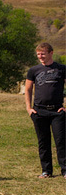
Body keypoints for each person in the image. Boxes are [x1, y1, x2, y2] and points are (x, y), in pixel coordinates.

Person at [24, 42, 65, 178]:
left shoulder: (61, 69)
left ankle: (65, 170)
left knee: (61, 141)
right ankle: (46, 171)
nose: (40, 56)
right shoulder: (33, 70)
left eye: (43, 53)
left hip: (57, 112)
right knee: (43, 142)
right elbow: (28, 89)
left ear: (51, 53)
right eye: (38, 54)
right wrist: (29, 108)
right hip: (39, 111)